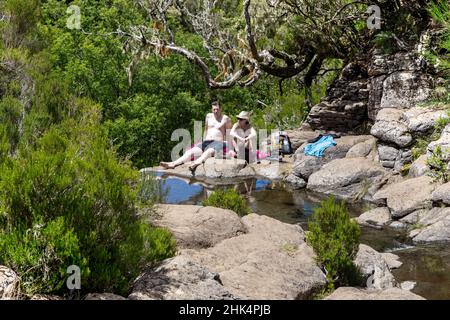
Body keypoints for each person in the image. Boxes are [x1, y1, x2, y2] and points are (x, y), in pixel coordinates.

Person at [160, 100, 232, 172]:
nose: (215, 111)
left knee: (209, 151)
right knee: (190, 152)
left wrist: (230, 148)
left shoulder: (225, 119)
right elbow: (206, 129)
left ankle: (195, 164)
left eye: (217, 109)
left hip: (218, 143)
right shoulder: (208, 116)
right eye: (214, 109)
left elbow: (229, 134)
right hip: (206, 142)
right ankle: (172, 164)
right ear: (211, 109)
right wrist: (203, 140)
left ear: (221, 109)